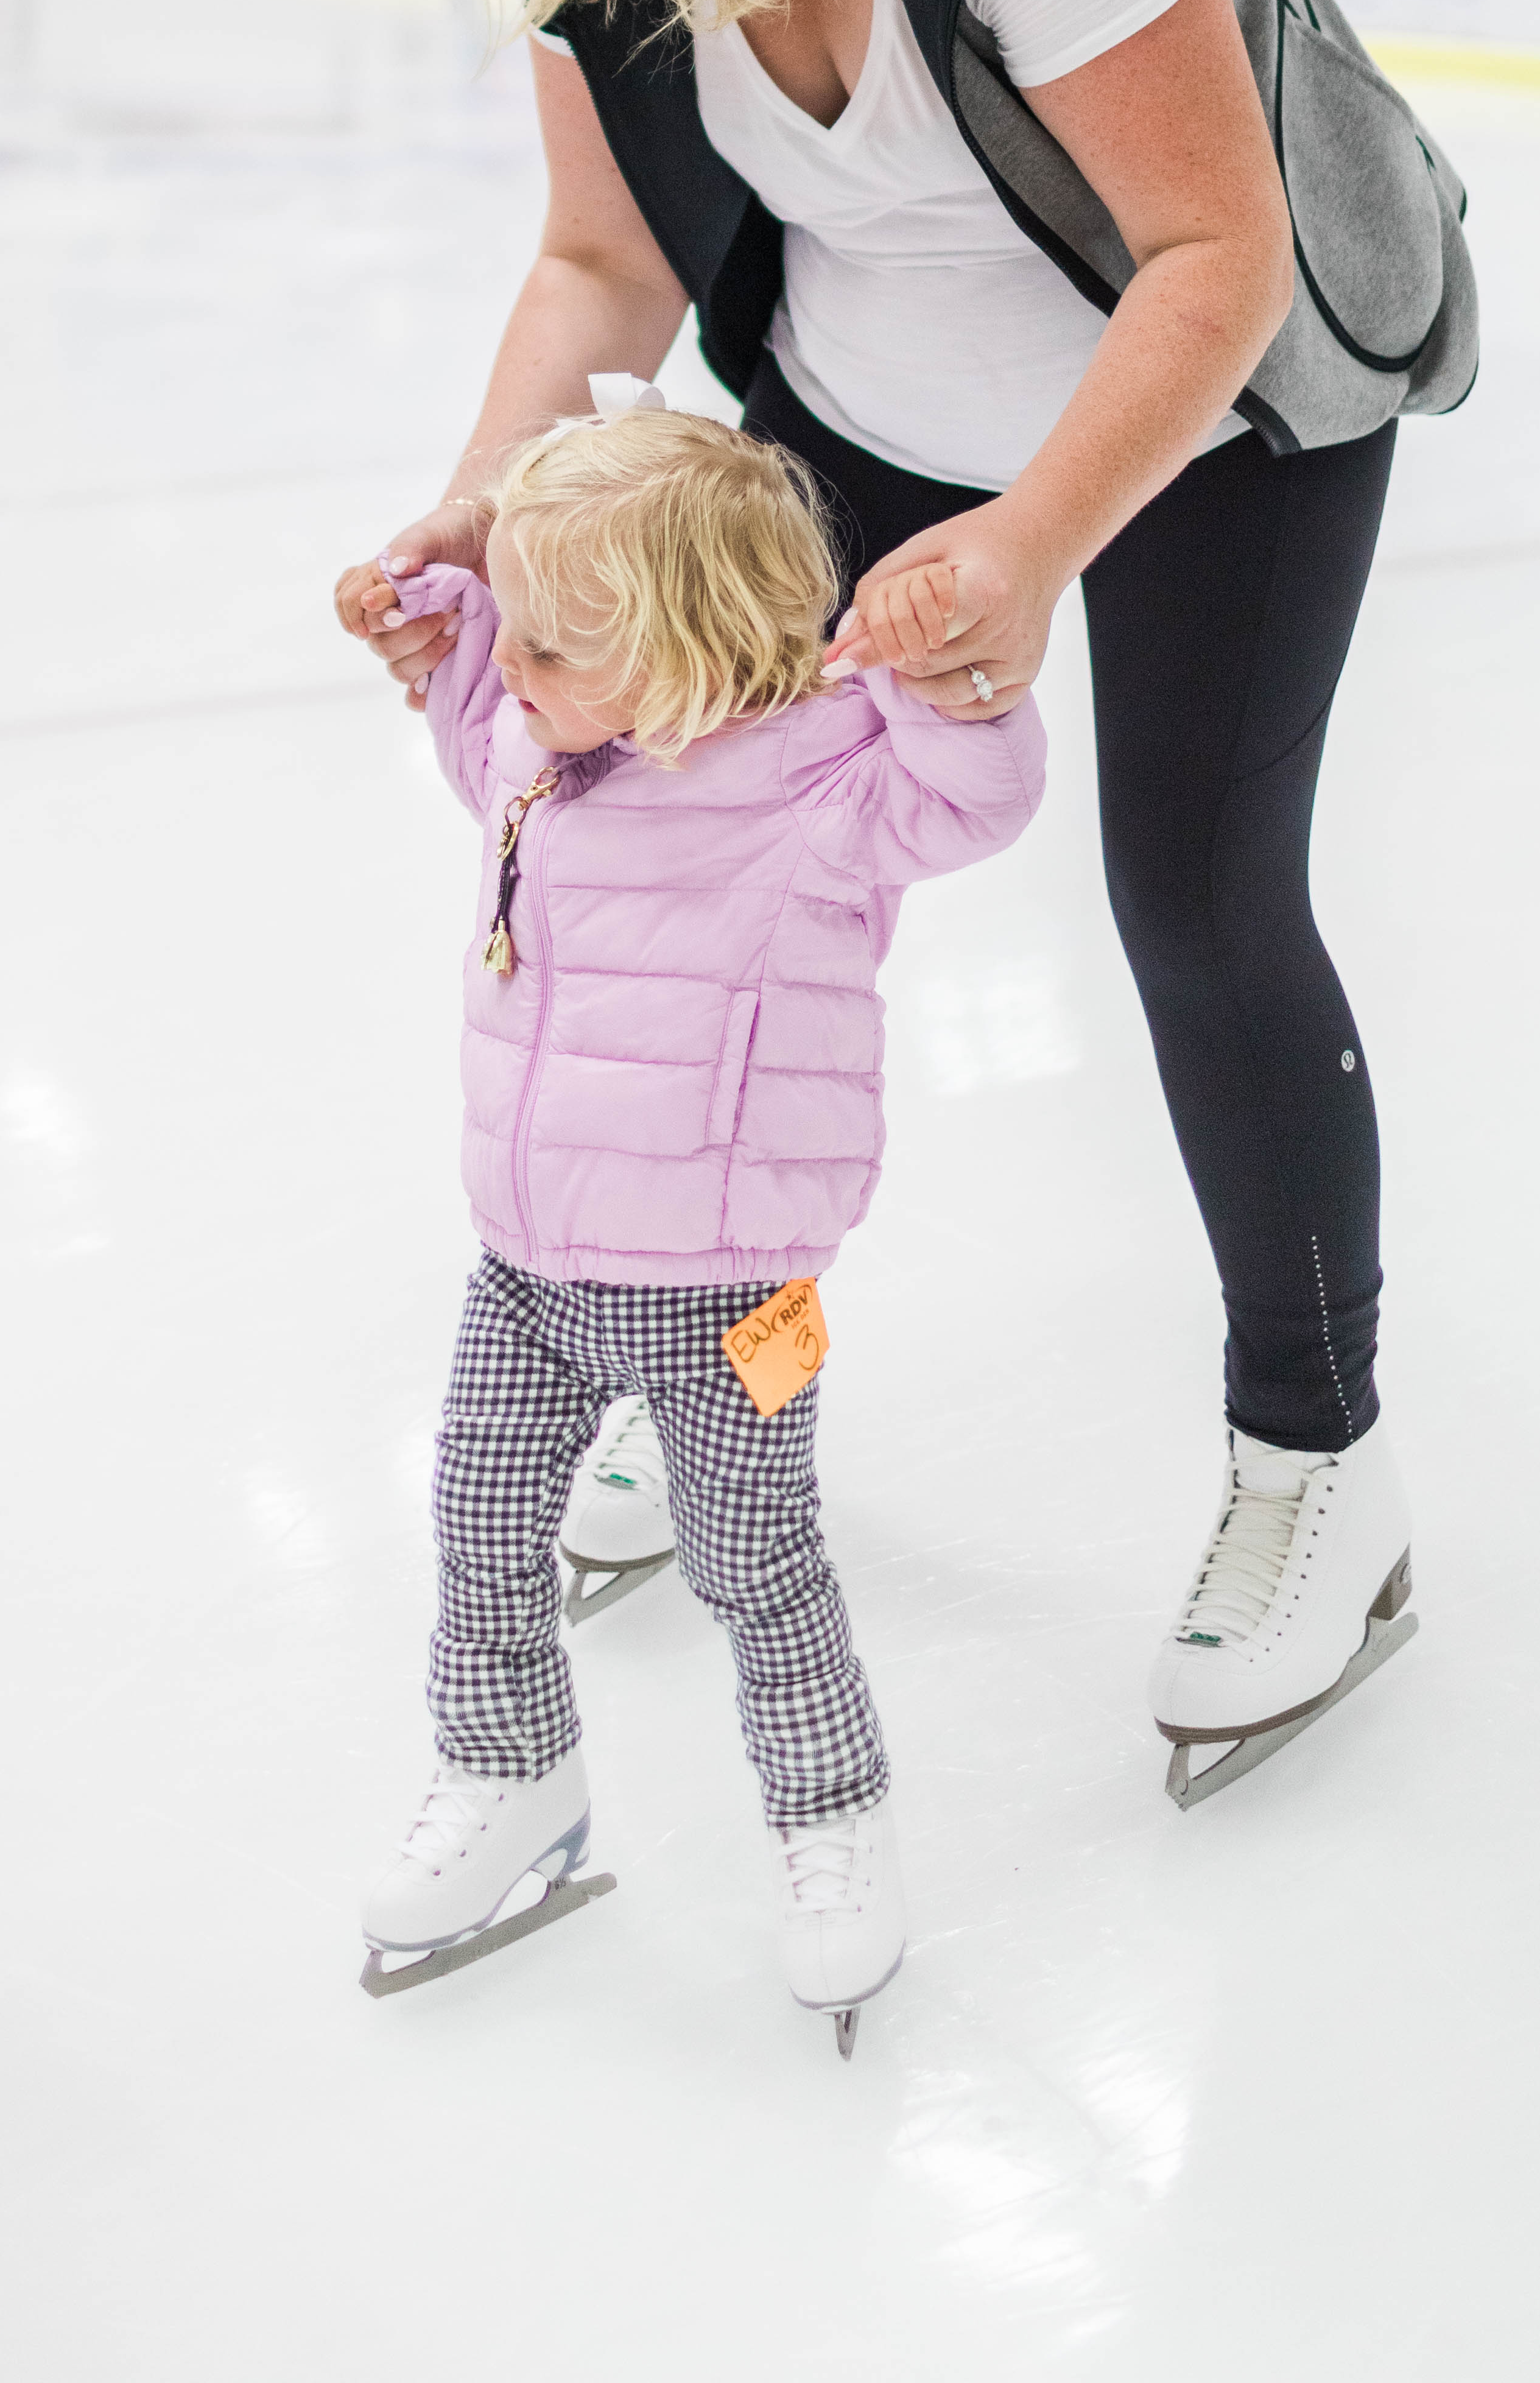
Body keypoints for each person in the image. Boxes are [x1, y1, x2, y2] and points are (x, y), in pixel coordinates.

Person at [337, 0, 1472, 1801]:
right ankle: (702, 1380)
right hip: (858, 399)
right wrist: (488, 492)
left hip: (1209, 397)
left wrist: (1035, 547)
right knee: (705, 878)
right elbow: (601, 269)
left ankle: (1318, 1463)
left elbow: (1211, 257)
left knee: (1198, 896)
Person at [353, 396, 1042, 2046]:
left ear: (688, 647)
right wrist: (443, 630)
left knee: (758, 1570)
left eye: (555, 642)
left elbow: (981, 799)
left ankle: (831, 1826)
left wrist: (939, 673)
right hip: (524, 1263)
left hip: (728, 1284)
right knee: (477, 1526)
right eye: (514, 630)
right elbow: (476, 733)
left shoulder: (830, 791)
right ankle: (507, 1776)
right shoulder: (542, 737)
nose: (517, 674)